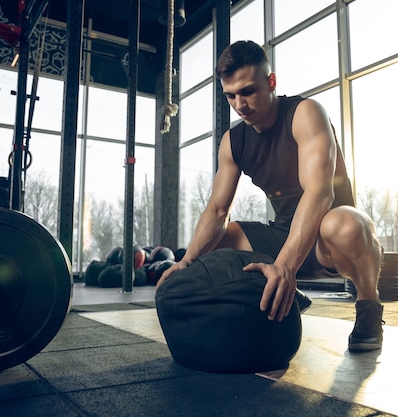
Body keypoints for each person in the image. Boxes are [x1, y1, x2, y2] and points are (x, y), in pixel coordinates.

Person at [158, 40, 384, 351]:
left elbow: (319, 192)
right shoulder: (233, 141)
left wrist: (286, 266)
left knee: (343, 224)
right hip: (283, 233)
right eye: (231, 96)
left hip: (327, 239)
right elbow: (217, 211)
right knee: (220, 243)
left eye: (248, 91)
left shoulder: (306, 113)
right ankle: (271, 300)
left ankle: (369, 307)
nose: (240, 104)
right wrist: (187, 261)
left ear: (271, 82)